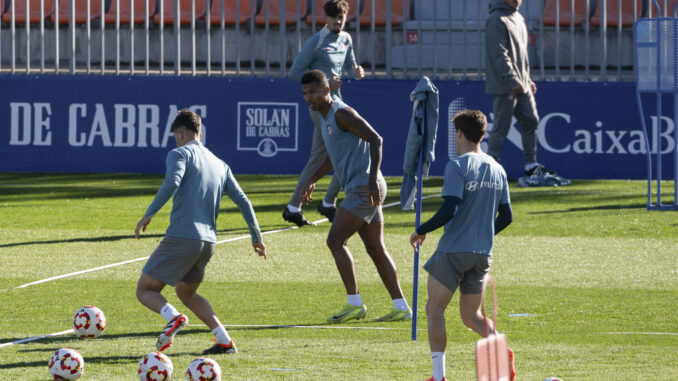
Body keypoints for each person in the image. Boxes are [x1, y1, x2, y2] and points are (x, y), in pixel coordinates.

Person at [134, 109, 267, 355]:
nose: (176, 141)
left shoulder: (179, 153)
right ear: (201, 132)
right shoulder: (220, 163)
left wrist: (149, 214)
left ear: (181, 133)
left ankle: (172, 317)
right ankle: (224, 340)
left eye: (176, 137)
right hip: (208, 242)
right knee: (186, 292)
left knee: (145, 289)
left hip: (183, 237)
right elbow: (244, 201)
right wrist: (256, 237)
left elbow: (172, 182)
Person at [409, 110, 515, 381]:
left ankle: (439, 376)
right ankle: (501, 351)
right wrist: (483, 233)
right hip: (482, 254)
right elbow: (507, 216)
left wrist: (421, 230)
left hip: (453, 251)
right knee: (472, 317)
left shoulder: (457, 166)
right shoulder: (497, 168)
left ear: (458, 133)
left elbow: (450, 209)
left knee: (434, 310)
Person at [299, 69, 411, 323]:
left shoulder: (341, 113)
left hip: (364, 186)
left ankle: (354, 303)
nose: (309, 98)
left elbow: (376, 139)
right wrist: (313, 180)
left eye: (314, 92)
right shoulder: (326, 118)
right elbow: (333, 155)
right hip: (363, 186)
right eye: (305, 93)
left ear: (327, 91)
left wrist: (371, 179)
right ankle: (401, 307)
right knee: (375, 248)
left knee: (335, 241)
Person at [284, 0, 365, 226]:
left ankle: (294, 207)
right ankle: (328, 202)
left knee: (319, 157)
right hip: (321, 107)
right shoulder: (316, 41)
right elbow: (295, 72)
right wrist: (326, 83)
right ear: (325, 18)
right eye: (334, 17)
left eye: (342, 16)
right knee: (345, 150)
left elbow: (350, 65)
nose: (338, 21)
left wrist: (357, 71)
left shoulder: (346, 39)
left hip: (336, 103)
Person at [485, 0, 560, 183]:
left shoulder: (518, 17)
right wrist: (512, 79)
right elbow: (499, 54)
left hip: (522, 83)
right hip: (506, 85)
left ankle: (531, 166)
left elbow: (522, 55)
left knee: (531, 120)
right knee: (501, 127)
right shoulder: (497, 20)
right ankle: (490, 170)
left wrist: (527, 79)